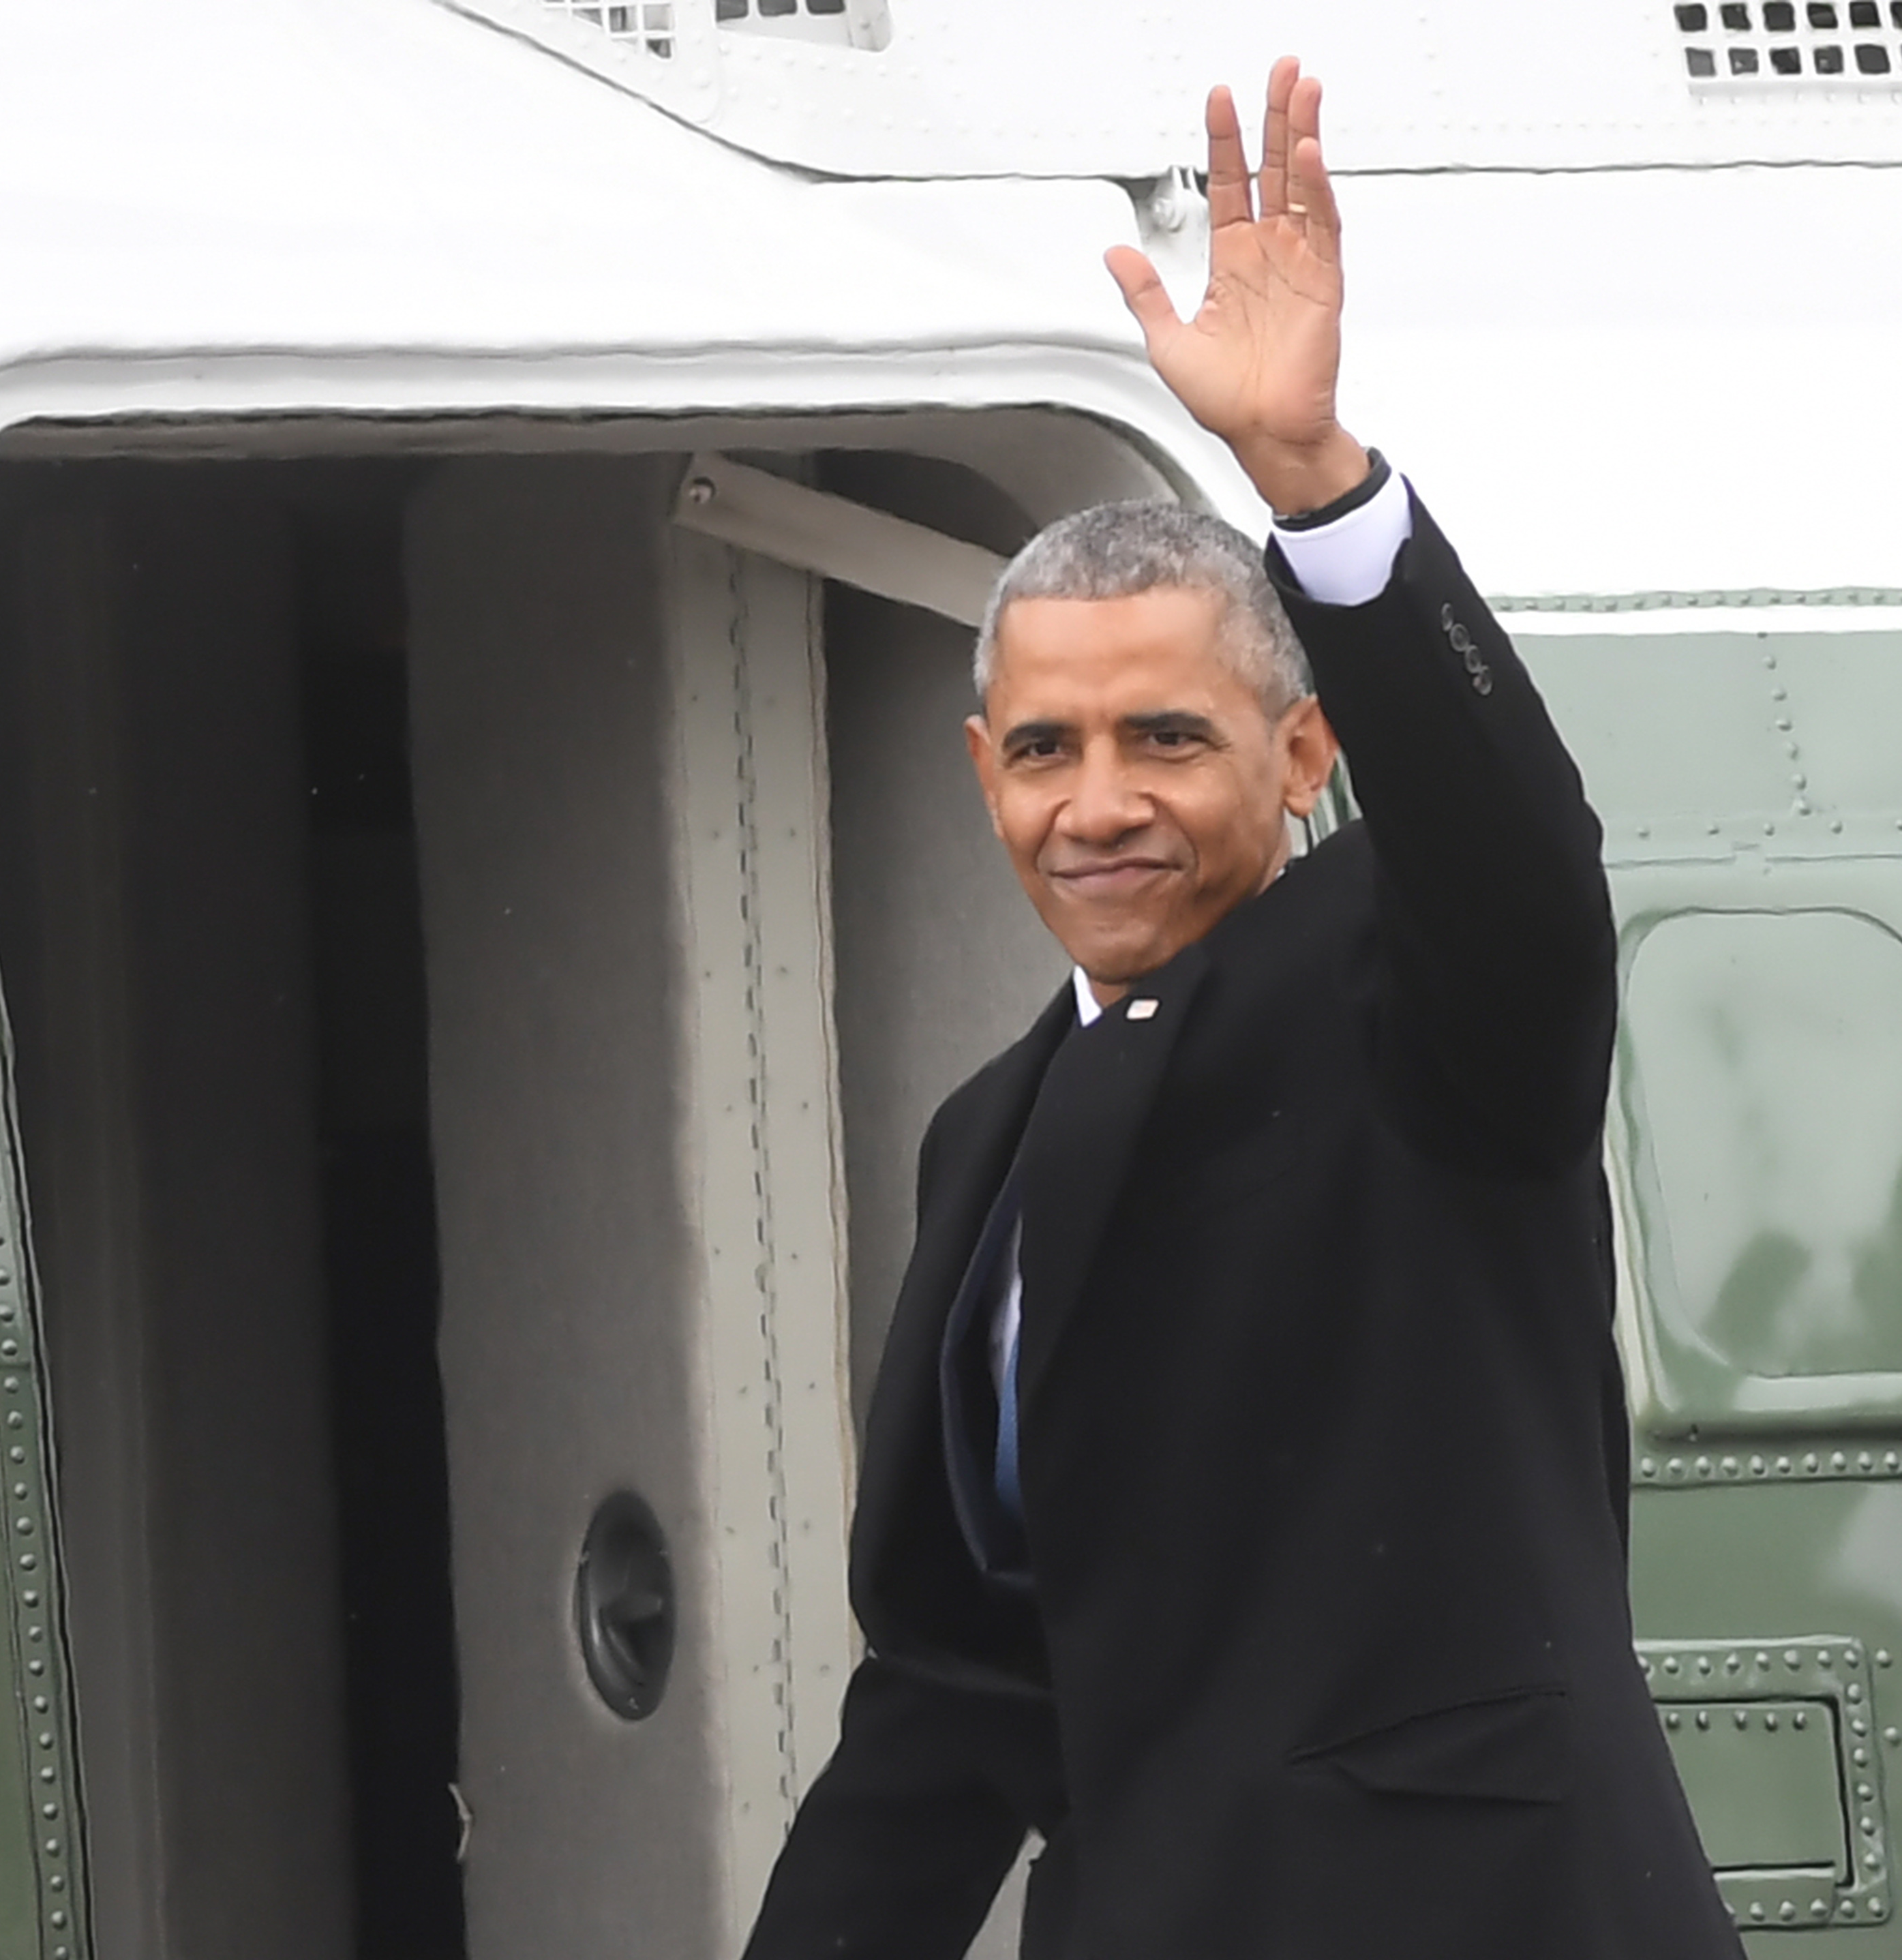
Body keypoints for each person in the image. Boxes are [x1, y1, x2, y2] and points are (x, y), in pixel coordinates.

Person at [740, 60, 1742, 1960]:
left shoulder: (1417, 993)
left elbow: (1513, 853)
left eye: (1164, 738)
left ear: (1301, 755)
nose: (1094, 799)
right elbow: (970, 1681)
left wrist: (1318, 487)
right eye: (1045, 747)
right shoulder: (993, 1132)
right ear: (982, 775)